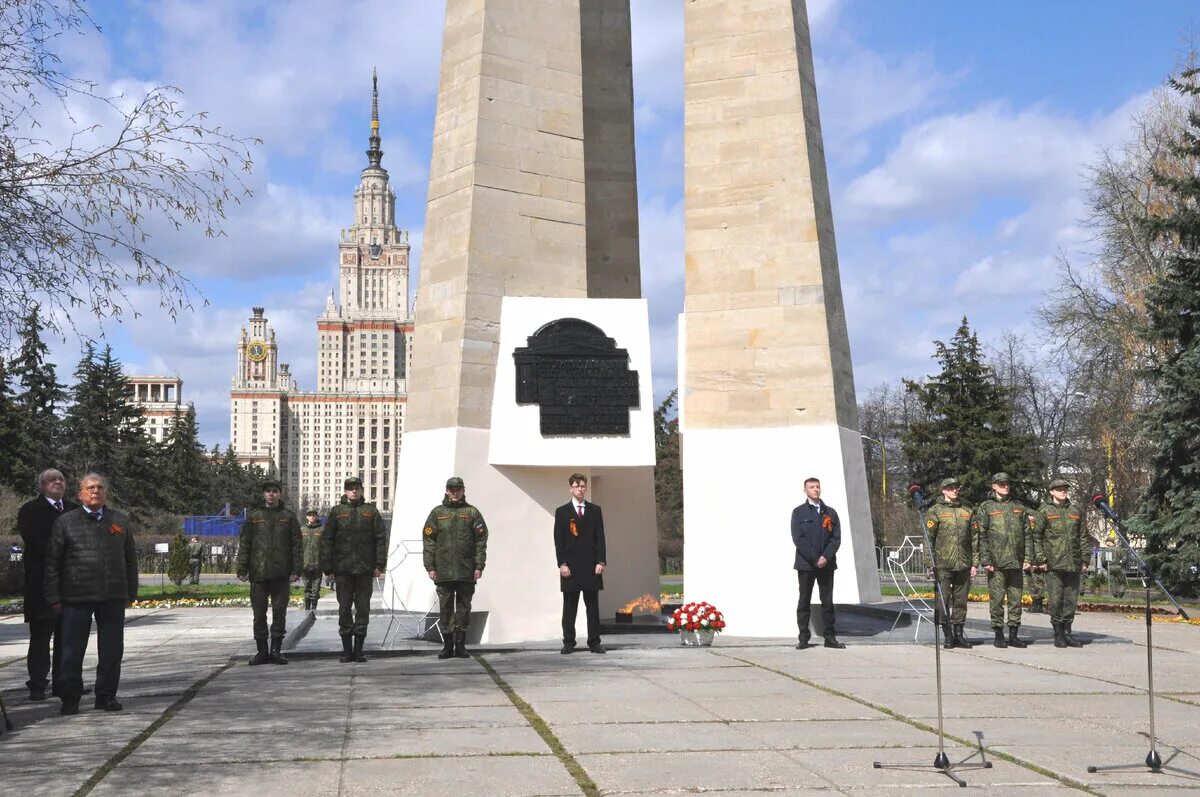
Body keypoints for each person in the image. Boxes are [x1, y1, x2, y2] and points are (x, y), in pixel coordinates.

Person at [44, 474, 138, 715]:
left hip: (112, 595)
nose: (95, 491)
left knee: (112, 650)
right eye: (90, 488)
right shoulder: (65, 522)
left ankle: (106, 696)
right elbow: (52, 564)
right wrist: (53, 598)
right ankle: (70, 698)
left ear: (106, 493)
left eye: (100, 487)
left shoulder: (120, 520)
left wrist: (131, 592)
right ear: (80, 494)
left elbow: (130, 559)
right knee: (71, 650)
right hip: (76, 597)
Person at [16, 469, 79, 702]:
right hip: (42, 585)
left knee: (68, 638)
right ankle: (38, 685)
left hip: (70, 584)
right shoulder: (30, 510)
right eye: (52, 480)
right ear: (42, 485)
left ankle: (65, 684)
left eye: (61, 479)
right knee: (41, 638)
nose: (58, 483)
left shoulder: (74, 509)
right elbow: (36, 541)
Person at [320, 477, 386, 663]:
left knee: (363, 609)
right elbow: (327, 541)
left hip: (365, 570)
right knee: (344, 609)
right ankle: (346, 650)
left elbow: (380, 538)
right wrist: (328, 568)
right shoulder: (337, 512)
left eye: (357, 488)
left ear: (361, 490)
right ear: (345, 491)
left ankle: (359, 650)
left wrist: (379, 564)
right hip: (343, 570)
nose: (354, 492)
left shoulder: (370, 511)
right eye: (350, 489)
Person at [236, 480, 301, 665]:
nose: (271, 494)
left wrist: (296, 569)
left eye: (274, 491)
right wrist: (241, 568)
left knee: (279, 613)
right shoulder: (254, 516)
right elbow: (245, 544)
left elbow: (296, 545)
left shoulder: (288, 516)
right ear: (263, 495)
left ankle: (276, 651)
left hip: (281, 574)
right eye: (268, 491)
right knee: (259, 614)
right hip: (258, 573)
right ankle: (262, 651)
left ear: (280, 494)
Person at [422, 476, 488, 660]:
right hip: (443, 571)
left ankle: (460, 646)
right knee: (445, 608)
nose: (454, 492)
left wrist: (479, 565)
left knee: (464, 608)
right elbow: (429, 541)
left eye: (458, 489)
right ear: (446, 490)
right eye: (451, 489)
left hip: (466, 570)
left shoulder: (472, 513)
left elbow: (481, 540)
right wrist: (430, 566)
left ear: (463, 490)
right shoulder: (437, 513)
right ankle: (447, 646)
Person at [1031, 477, 1090, 648]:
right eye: (1058, 489)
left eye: (1064, 488)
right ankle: (1058, 633)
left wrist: (1085, 559)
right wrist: (1041, 559)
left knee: (1070, 600)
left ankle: (1068, 632)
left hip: (1073, 563)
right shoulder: (1045, 511)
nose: (1062, 491)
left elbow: (1083, 537)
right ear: (1051, 492)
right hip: (1053, 564)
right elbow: (1037, 537)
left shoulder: (1075, 510)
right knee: (1056, 600)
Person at [974, 473, 1031, 649]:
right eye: (1001, 484)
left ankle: (1013, 635)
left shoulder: (1019, 508)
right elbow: (981, 535)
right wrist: (986, 559)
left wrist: (1028, 558)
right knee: (997, 600)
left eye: (1007, 483)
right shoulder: (986, 507)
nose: (1005, 486)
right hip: (996, 564)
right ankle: (998, 634)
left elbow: (1027, 535)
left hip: (1016, 561)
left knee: (1016, 601)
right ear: (994, 486)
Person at [554, 473, 608, 655]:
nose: (580, 489)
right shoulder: (562, 512)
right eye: (577, 486)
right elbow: (558, 541)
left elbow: (600, 538)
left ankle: (595, 642)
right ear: (570, 488)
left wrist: (601, 560)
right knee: (570, 606)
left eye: (583, 486)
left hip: (591, 566)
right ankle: (569, 641)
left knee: (592, 606)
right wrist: (562, 564)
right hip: (571, 566)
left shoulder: (595, 510)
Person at [790, 476, 845, 650]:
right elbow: (798, 539)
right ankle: (803, 638)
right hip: (806, 565)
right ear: (805, 490)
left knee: (827, 602)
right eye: (812, 487)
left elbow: (836, 539)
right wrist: (815, 558)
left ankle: (830, 638)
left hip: (826, 565)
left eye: (817, 486)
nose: (815, 489)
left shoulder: (830, 512)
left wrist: (825, 557)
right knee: (804, 601)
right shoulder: (799, 512)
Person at [925, 477, 977, 649]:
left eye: (956, 487)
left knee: (961, 601)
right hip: (943, 564)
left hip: (963, 563)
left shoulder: (967, 510)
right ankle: (947, 634)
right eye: (950, 488)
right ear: (943, 490)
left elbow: (974, 538)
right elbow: (928, 539)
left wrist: (975, 562)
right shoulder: (935, 511)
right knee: (943, 600)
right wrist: (929, 563)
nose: (954, 490)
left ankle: (959, 634)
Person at [300, 510, 324, 611]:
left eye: (314, 515)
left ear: (316, 517)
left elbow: (326, 547)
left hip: (318, 564)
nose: (312, 517)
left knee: (316, 589)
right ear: (306, 517)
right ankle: (307, 608)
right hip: (305, 565)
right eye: (310, 515)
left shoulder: (321, 530)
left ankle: (314, 608)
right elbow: (298, 547)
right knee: (306, 588)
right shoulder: (302, 530)